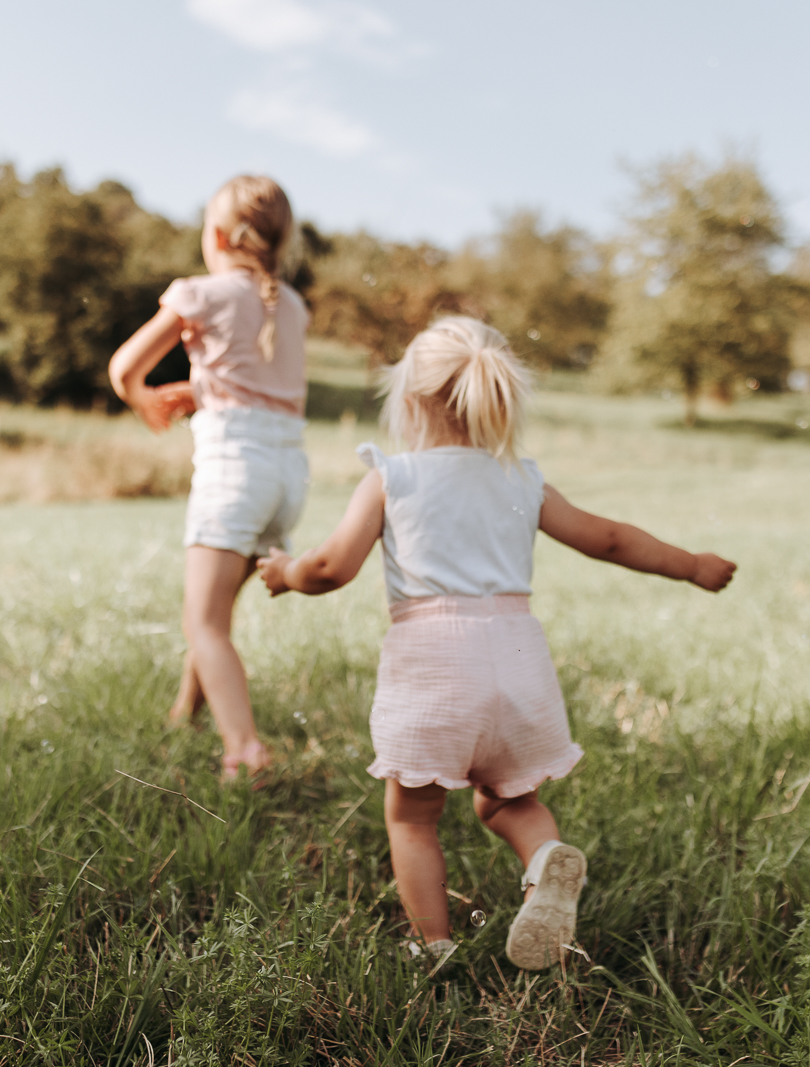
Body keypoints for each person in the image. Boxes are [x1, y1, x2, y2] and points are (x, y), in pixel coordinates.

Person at [257, 317, 737, 969]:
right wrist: (691, 564)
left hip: (434, 667)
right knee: (512, 799)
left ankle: (434, 946)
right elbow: (611, 538)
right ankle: (544, 863)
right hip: (518, 665)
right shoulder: (522, 479)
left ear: (409, 399)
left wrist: (285, 571)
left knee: (412, 817)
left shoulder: (393, 477)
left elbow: (330, 568)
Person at [108, 175, 309, 780]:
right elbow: (262, 388)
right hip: (287, 476)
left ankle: (244, 751)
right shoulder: (292, 306)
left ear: (216, 235)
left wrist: (144, 400)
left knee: (203, 622)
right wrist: (198, 390)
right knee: (216, 614)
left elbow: (123, 370)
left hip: (234, 474)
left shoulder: (200, 292)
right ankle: (184, 712)